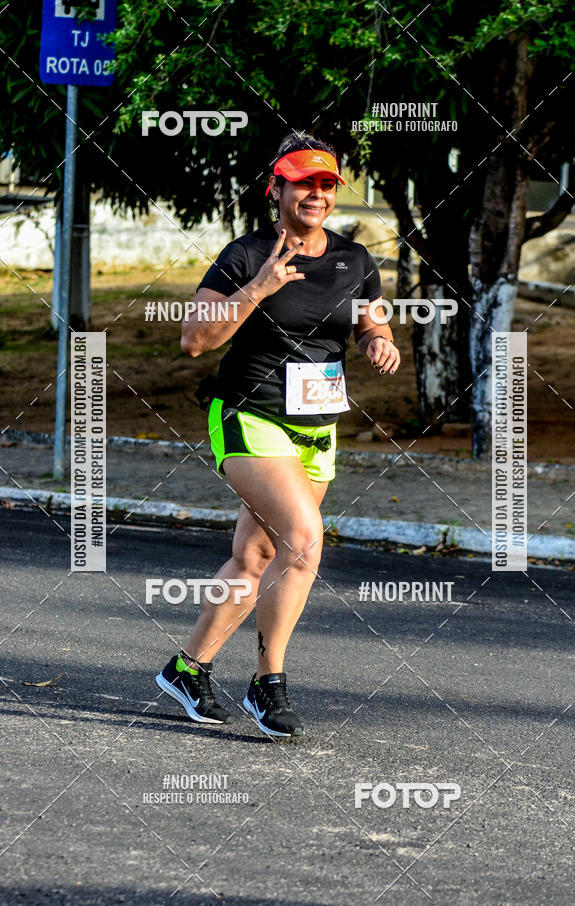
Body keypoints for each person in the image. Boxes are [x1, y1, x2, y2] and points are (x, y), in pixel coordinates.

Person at [155, 132, 400, 738]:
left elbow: (373, 322)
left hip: (317, 426)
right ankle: (269, 683)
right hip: (249, 412)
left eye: (325, 184)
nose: (315, 194)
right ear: (278, 188)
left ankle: (188, 669)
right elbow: (194, 340)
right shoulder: (245, 255)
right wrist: (259, 288)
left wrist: (378, 341)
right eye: (303, 183)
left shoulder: (355, 260)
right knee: (302, 542)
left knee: (256, 555)